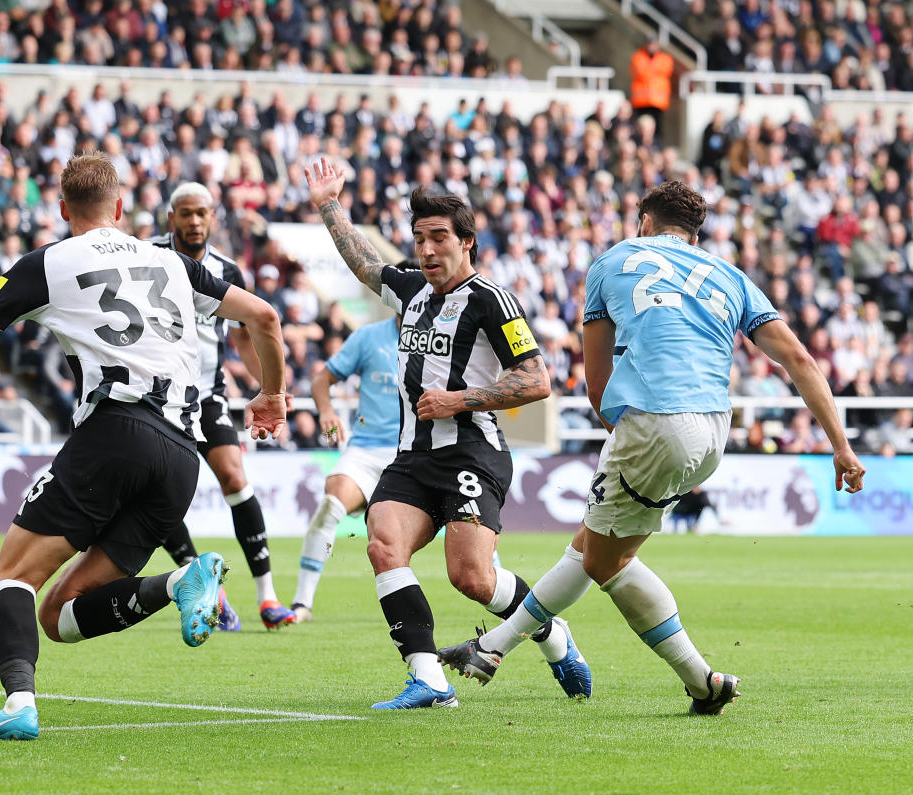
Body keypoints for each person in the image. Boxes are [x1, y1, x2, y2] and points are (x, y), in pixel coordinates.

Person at [0, 154, 288, 740]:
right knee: (61, 615)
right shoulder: (172, 262)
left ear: (61, 209)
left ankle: (19, 705)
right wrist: (273, 395)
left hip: (115, 434)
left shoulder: (46, 263)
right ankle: (182, 581)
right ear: (121, 208)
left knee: (11, 579)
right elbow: (263, 315)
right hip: (182, 456)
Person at [439, 180, 866, 715]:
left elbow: (597, 383)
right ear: (693, 232)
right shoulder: (730, 275)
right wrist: (842, 447)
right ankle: (701, 685)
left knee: (603, 561)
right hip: (713, 431)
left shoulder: (612, 261)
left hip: (654, 423)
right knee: (601, 550)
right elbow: (799, 360)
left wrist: (625, 431)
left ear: (644, 220)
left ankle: (493, 651)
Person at [305, 157, 591, 710]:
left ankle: (553, 636)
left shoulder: (492, 301)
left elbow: (537, 380)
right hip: (412, 455)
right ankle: (429, 680)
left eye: (439, 238)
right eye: (419, 239)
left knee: (473, 578)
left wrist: (458, 400)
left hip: (472, 452)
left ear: (466, 244)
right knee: (384, 544)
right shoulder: (410, 292)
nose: (427, 250)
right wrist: (328, 205)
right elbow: (365, 264)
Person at [151, 182, 298, 631]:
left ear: (213, 216)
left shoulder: (227, 268)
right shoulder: (150, 258)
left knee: (235, 477)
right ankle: (206, 588)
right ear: (172, 217)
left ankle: (267, 597)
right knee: (159, 497)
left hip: (206, 395)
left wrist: (270, 390)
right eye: (186, 213)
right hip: (156, 397)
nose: (194, 221)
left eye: (202, 213)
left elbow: (242, 337)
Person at [290, 315, 400, 622]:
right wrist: (326, 411)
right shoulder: (369, 336)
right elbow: (321, 379)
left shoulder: (441, 336)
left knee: (463, 520)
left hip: (416, 452)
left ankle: (503, 597)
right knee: (331, 503)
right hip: (366, 448)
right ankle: (302, 604)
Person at [629, 34, 673, 133]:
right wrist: (654, 71)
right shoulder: (638, 56)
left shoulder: (665, 58)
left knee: (657, 126)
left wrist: (648, 70)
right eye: (649, 43)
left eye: (653, 44)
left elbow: (666, 70)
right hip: (641, 100)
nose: (651, 46)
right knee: (640, 125)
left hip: (658, 101)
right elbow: (638, 71)